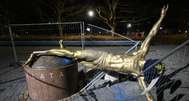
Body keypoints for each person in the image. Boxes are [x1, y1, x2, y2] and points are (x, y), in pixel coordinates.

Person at [25, 6, 168, 101]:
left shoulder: (139, 74)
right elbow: (152, 34)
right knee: (75, 55)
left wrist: (152, 97)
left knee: (78, 61)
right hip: (102, 56)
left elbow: (149, 96)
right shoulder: (140, 55)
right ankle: (38, 53)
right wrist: (161, 17)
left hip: (103, 65)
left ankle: (62, 50)